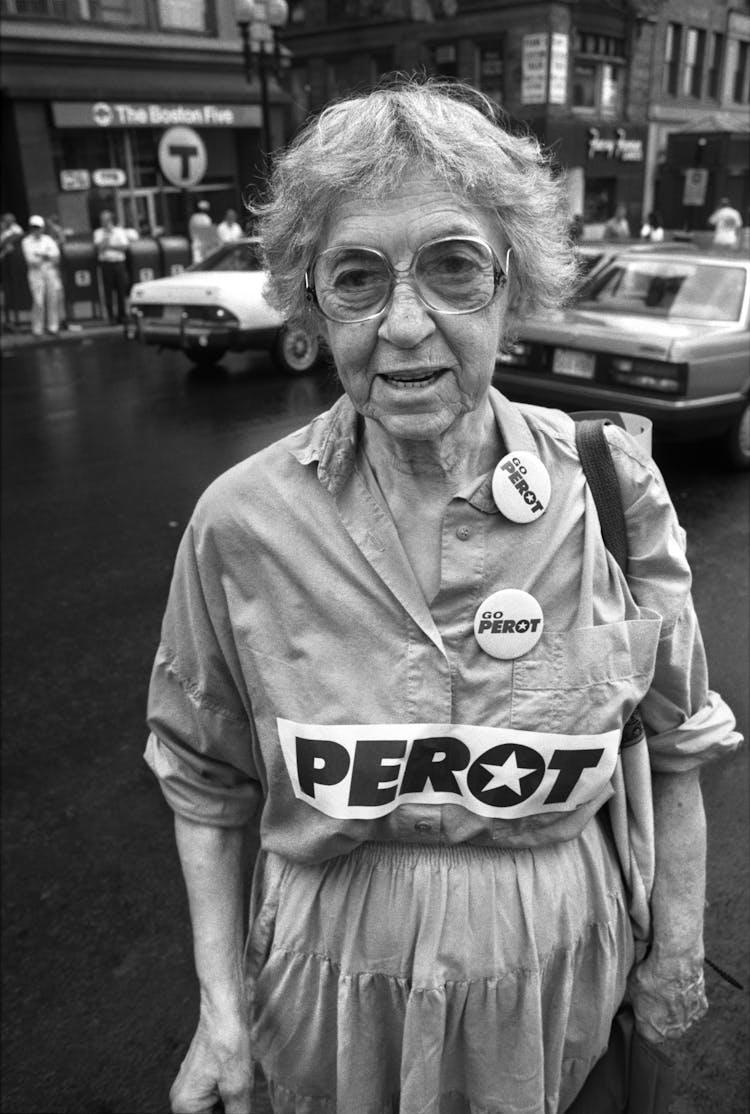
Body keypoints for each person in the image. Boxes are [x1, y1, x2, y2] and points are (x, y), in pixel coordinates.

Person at [145, 80, 741, 1114]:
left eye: (454, 268)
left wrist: (677, 951)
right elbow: (205, 783)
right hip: (331, 1009)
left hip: (562, 996)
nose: (406, 323)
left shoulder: (608, 488)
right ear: (311, 300)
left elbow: (680, 742)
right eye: (358, 278)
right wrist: (222, 1016)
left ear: (513, 282)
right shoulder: (238, 523)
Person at [21, 215, 63, 335]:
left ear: (42, 228)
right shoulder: (26, 241)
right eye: (34, 227)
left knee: (53, 299)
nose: (36, 230)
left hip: (50, 272)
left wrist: (42, 256)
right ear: (30, 228)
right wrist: (48, 256)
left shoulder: (48, 240)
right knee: (38, 301)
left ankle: (53, 327)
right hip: (36, 274)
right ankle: (37, 329)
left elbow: (56, 258)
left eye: (38, 227)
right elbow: (32, 261)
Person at [93, 210, 130, 323]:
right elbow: (99, 248)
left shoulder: (119, 231)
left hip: (119, 263)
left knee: (121, 289)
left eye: (105, 220)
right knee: (108, 291)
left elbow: (124, 247)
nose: (103, 222)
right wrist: (107, 236)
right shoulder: (98, 232)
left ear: (110, 220)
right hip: (106, 264)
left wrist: (110, 246)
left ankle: (122, 315)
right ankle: (111, 316)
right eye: (102, 220)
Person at [188, 199, 219, 264]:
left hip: (197, 243)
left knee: (197, 264)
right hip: (203, 245)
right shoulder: (206, 218)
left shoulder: (193, 217)